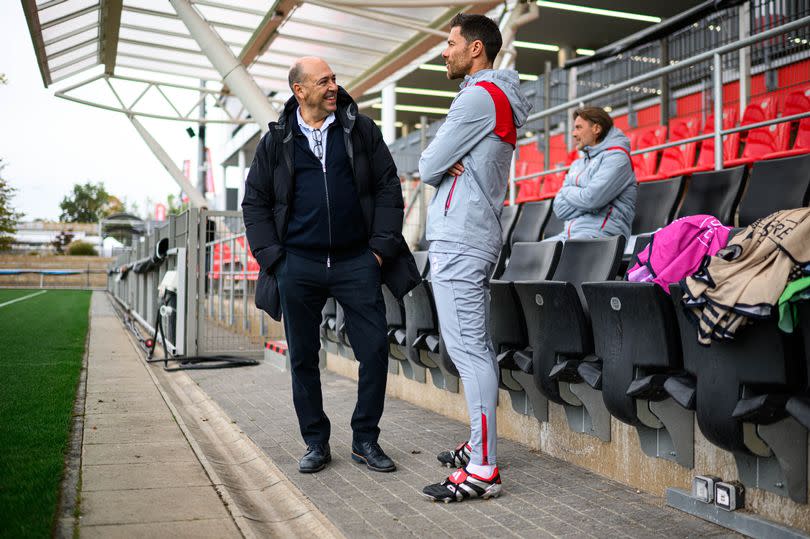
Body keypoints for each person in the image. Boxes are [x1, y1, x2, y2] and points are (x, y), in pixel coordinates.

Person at [242, 57, 419, 475]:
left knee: (375, 349)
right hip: (297, 264)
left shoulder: (361, 130)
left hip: (356, 260)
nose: (333, 86)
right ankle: (316, 442)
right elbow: (255, 203)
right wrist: (274, 259)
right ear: (299, 91)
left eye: (334, 79)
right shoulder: (277, 141)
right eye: (323, 81)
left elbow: (388, 188)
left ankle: (365, 439)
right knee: (303, 357)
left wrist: (378, 250)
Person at [417, 13, 531, 502]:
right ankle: (478, 447)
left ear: (476, 49)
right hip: (465, 234)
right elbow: (438, 164)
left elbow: (426, 166)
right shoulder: (486, 96)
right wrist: (445, 164)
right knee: (471, 348)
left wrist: (444, 165)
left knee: (470, 352)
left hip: (462, 238)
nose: (444, 51)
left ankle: (484, 467)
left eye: (450, 43)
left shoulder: (480, 97)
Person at [548, 107, 637, 240]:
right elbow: (559, 209)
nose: (573, 134)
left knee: (555, 255)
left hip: (603, 236)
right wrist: (587, 200)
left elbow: (591, 200)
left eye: (578, 128)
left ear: (596, 129)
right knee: (528, 255)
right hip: (570, 234)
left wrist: (566, 191)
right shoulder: (577, 164)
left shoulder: (617, 158)